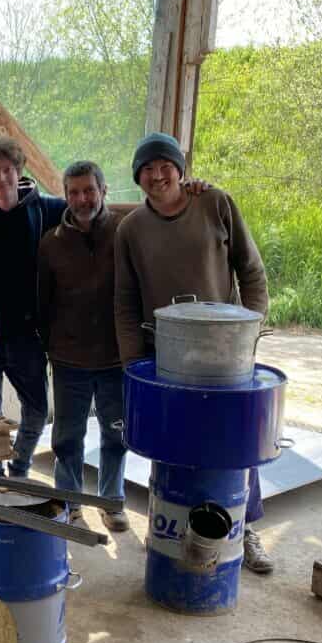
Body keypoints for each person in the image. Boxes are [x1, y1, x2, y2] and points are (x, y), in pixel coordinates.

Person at [113, 131, 273, 572]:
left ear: (180, 170)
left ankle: (245, 529)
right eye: (147, 169)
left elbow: (251, 269)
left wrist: (250, 328)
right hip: (164, 357)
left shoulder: (215, 202)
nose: (157, 174)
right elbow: (124, 302)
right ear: (138, 178)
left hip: (225, 353)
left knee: (234, 439)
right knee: (171, 441)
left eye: (165, 165)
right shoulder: (131, 229)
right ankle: (164, 529)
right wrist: (132, 364)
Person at [37, 161, 128, 531]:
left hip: (115, 358)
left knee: (117, 434)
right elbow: (43, 301)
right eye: (73, 192)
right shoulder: (51, 244)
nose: (81, 199)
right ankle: (70, 503)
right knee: (68, 437)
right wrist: (50, 345)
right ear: (66, 196)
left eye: (89, 190)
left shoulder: (124, 233)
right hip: (68, 358)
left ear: (103, 191)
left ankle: (112, 502)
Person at [0, 137, 64, 478]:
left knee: (37, 409)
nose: (1, 179)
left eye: (7, 170)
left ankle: (20, 466)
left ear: (19, 171)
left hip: (26, 334)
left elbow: (89, 209)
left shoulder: (45, 209)